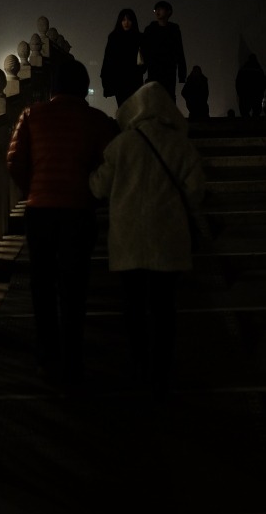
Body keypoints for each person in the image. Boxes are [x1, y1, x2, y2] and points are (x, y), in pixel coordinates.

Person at [89, 81, 205, 400]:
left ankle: (139, 365)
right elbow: (195, 191)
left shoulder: (121, 144)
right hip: (168, 240)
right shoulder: (181, 146)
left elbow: (99, 188)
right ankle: (162, 371)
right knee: (165, 307)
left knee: (134, 306)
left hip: (129, 241)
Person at [7, 59, 119, 390]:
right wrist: (92, 195)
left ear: (53, 86)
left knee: (42, 286)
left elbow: (14, 160)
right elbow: (109, 164)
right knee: (74, 288)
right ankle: (73, 361)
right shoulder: (96, 120)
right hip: (78, 211)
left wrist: (33, 188)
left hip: (40, 210)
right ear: (82, 87)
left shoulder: (31, 115)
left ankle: (46, 357)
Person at [139, 0, 187, 101]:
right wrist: (142, 68)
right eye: (156, 9)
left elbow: (179, 50)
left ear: (168, 12)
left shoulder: (174, 29)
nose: (157, 11)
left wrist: (182, 74)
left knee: (168, 98)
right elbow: (144, 50)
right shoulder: (150, 29)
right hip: (154, 70)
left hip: (169, 70)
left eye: (160, 9)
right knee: (154, 98)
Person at [99, 8, 144, 107]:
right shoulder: (114, 37)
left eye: (129, 20)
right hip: (120, 80)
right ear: (120, 21)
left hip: (134, 79)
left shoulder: (139, 37)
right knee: (124, 108)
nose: (126, 22)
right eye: (123, 20)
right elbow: (108, 59)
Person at [235, 53, 265, 118]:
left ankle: (246, 126)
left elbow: (238, 82)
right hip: (256, 93)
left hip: (245, 94)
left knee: (245, 112)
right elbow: (263, 82)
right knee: (256, 112)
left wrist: (239, 93)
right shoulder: (259, 70)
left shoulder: (242, 70)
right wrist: (261, 93)